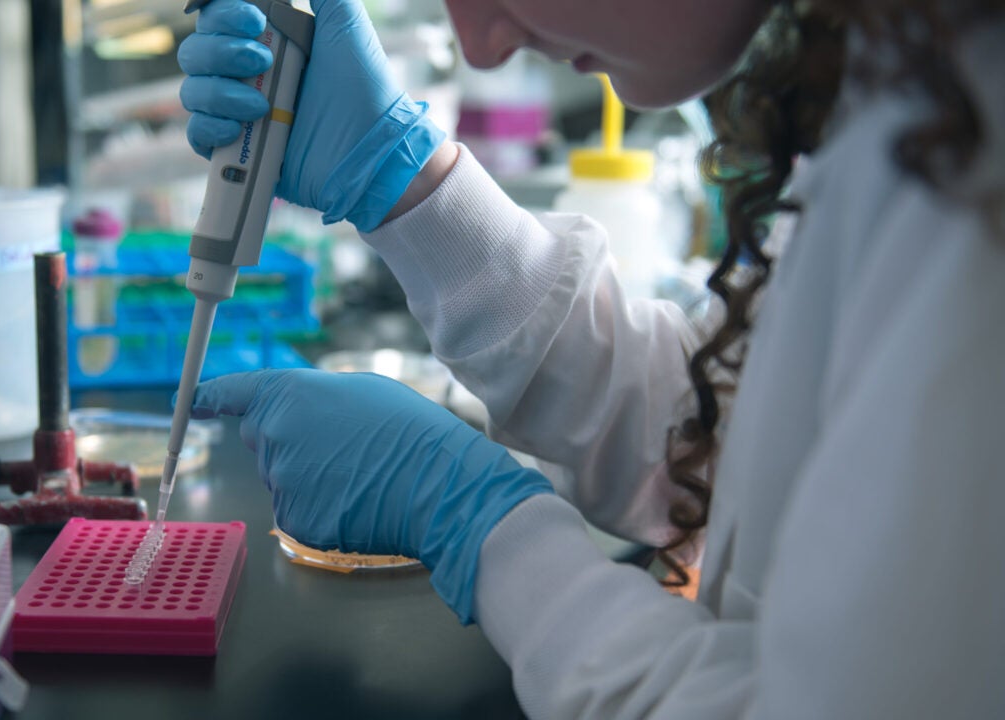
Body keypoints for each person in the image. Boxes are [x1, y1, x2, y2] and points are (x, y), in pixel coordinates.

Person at [177, 0, 1005, 717]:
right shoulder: (913, 89)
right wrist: (400, 180)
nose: (483, 44)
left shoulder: (978, 176)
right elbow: (727, 442)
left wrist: (485, 529)